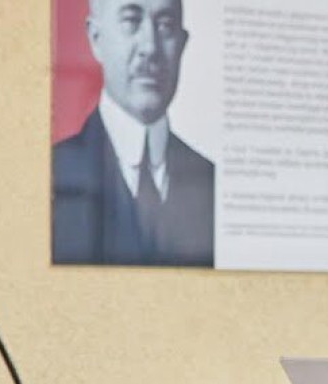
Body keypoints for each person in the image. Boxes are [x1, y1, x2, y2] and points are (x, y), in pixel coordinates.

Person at [54, 0, 216, 267]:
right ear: (96, 38)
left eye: (165, 25)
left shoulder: (210, 182)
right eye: (131, 21)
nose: (150, 47)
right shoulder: (54, 172)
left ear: (182, 44)